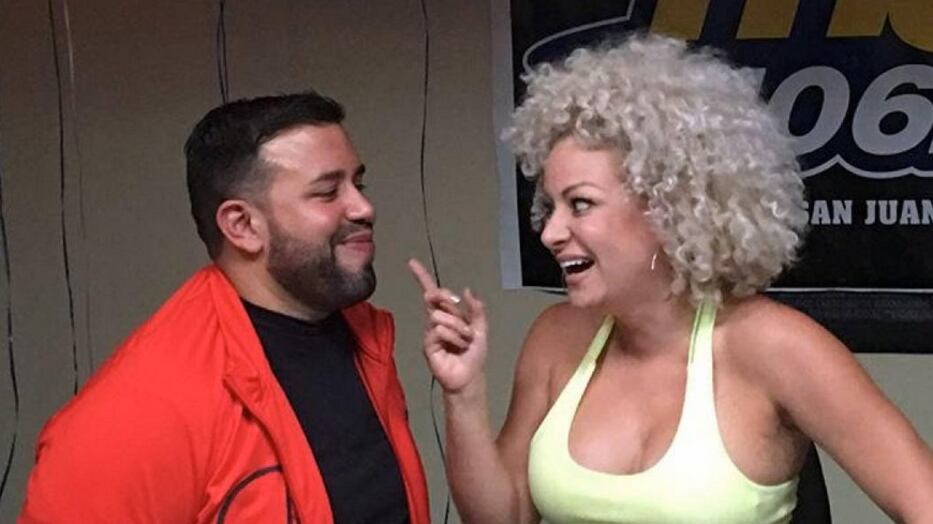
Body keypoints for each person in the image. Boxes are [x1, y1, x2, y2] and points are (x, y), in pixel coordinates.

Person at [409, 33, 933, 523]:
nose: (550, 232)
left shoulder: (775, 346)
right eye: (551, 206)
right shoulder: (557, 337)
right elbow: (504, 515)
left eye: (581, 204)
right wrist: (464, 395)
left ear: (668, 207)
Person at [20, 91, 430, 523]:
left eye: (357, 185)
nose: (364, 208)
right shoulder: (135, 412)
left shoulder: (364, 340)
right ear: (243, 225)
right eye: (328, 192)